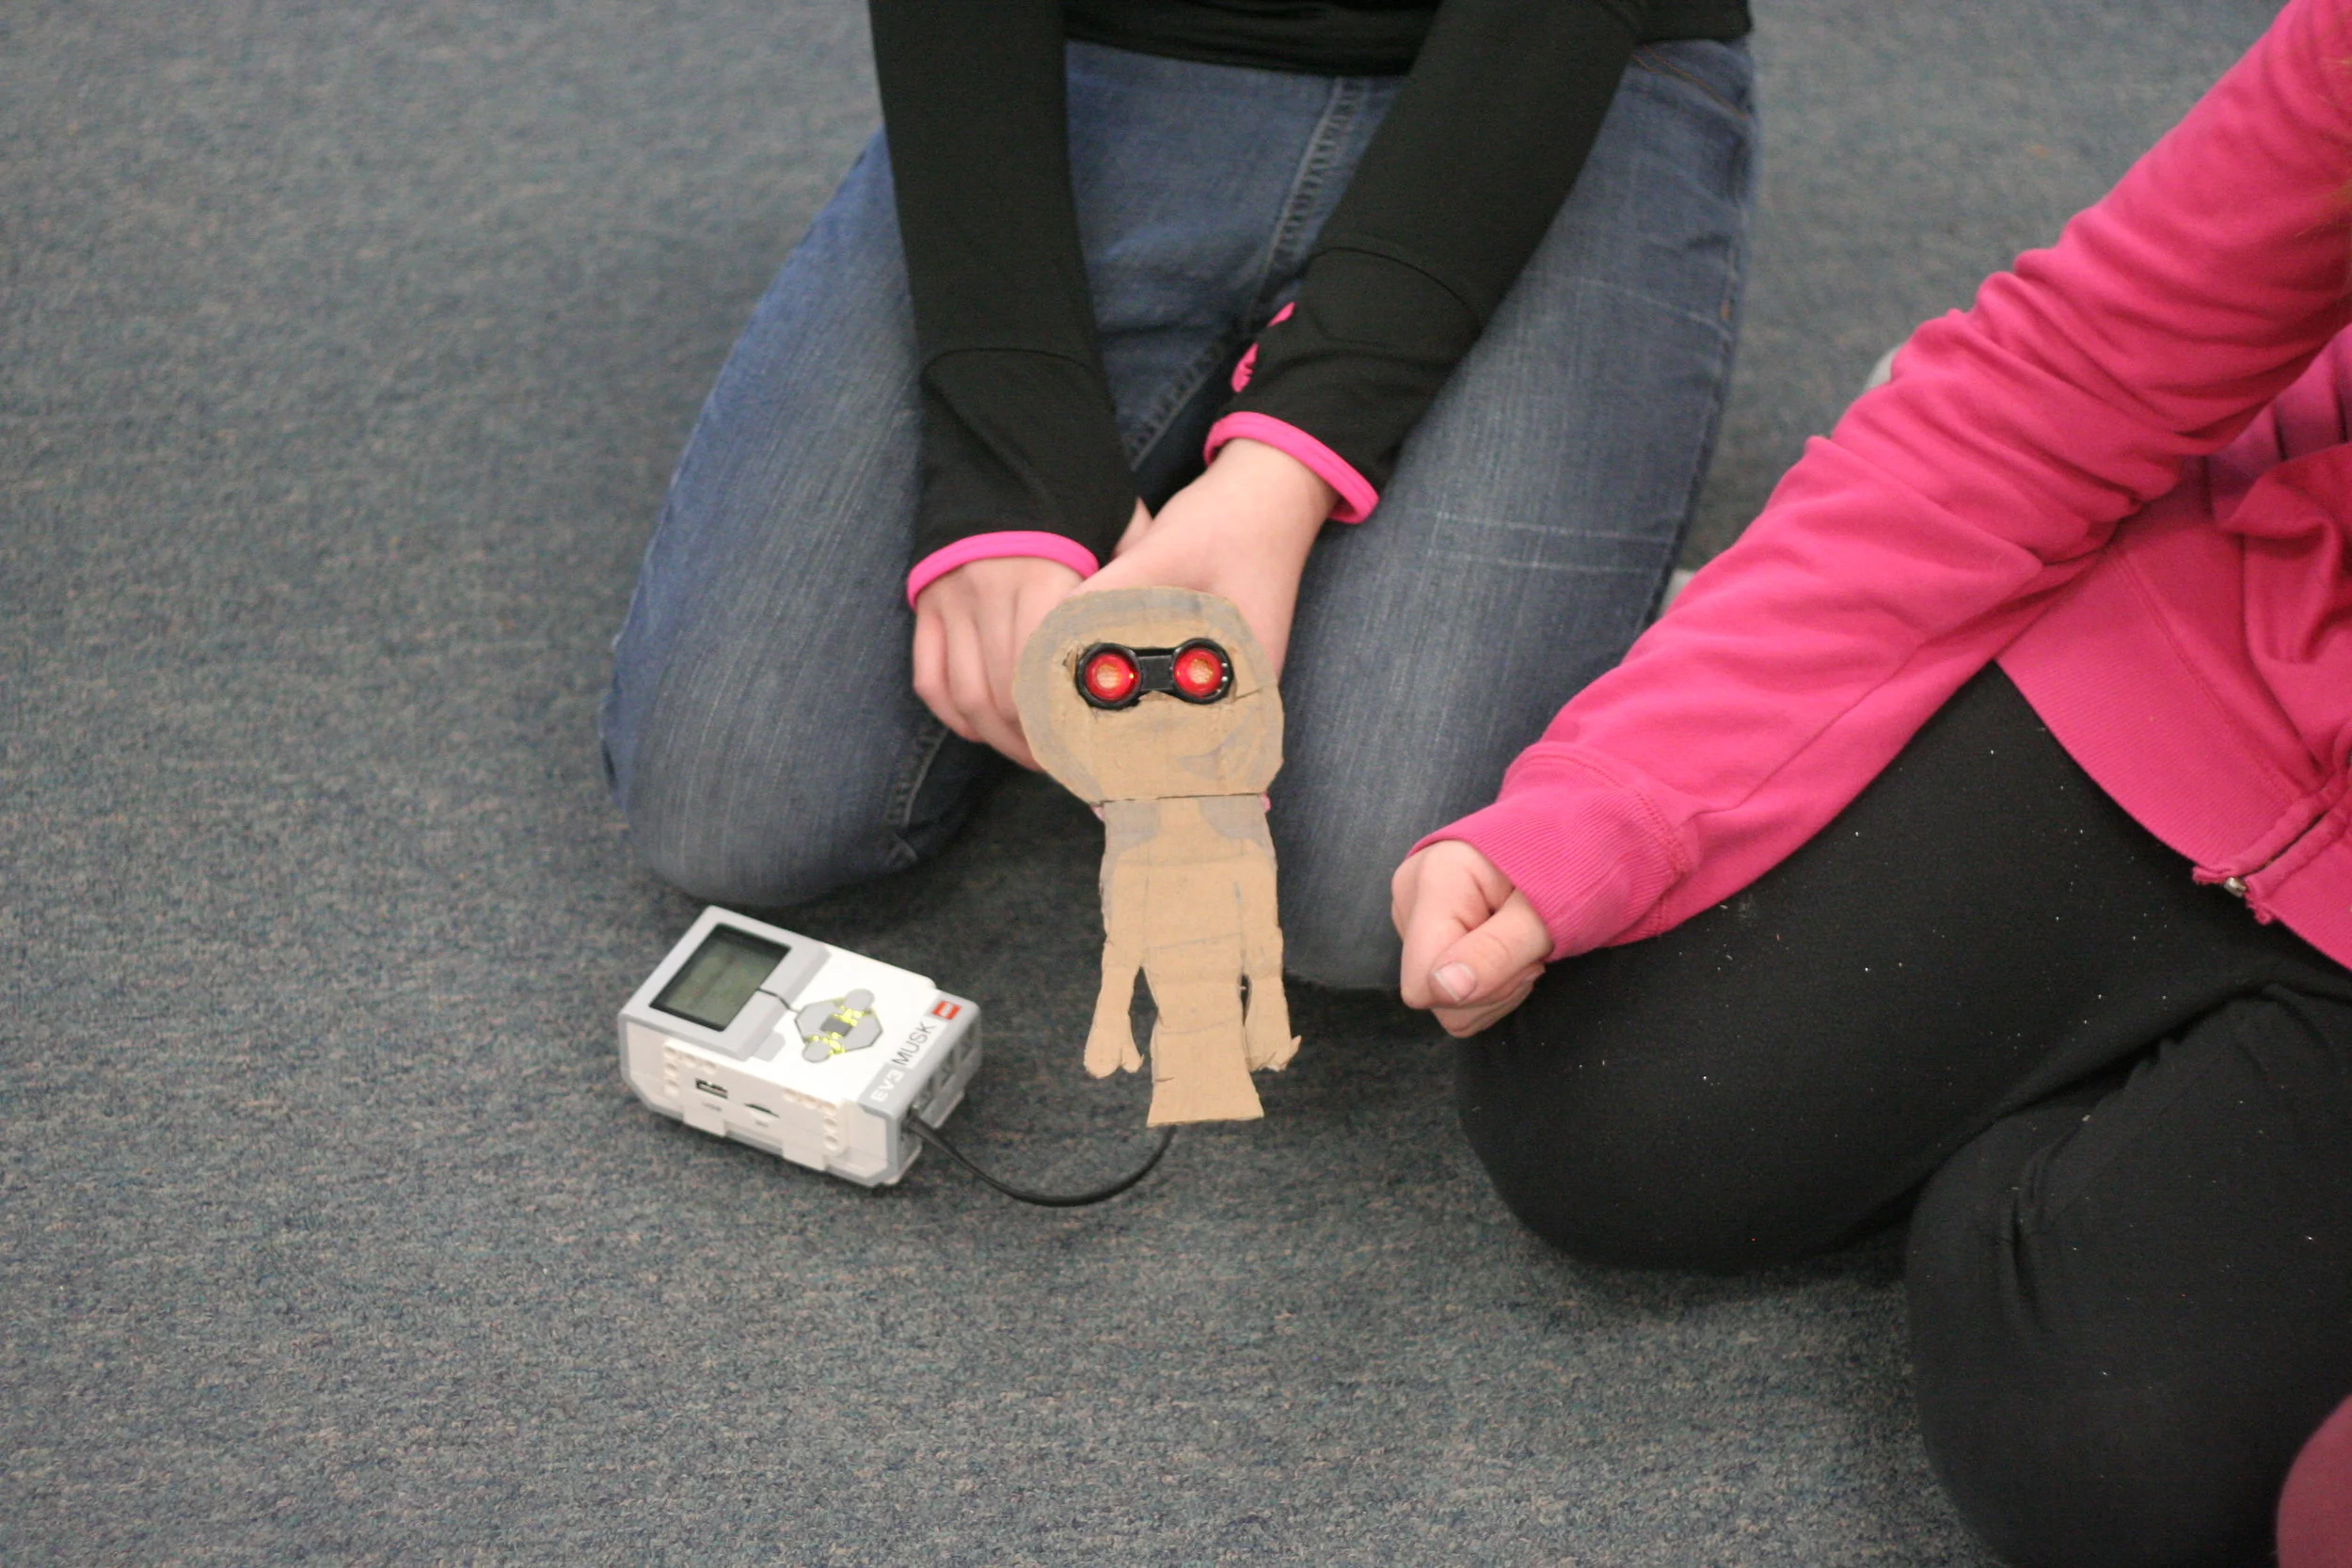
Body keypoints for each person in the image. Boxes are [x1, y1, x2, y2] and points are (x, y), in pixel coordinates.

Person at [1389, 1, 2352, 1561]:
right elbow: (2062, 379)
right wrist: (1622, 780)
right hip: (2245, 632)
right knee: (1597, 1096)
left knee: (2127, 1471)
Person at [596, 0, 1756, 989]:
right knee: (727, 806)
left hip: (1556, 63)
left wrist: (1295, 457)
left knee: (1373, 897)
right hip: (1108, 38)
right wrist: (1014, 450)